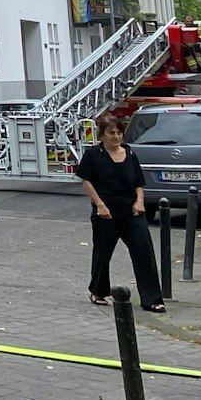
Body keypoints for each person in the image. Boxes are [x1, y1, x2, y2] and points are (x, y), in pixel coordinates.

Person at [78, 116, 164, 312]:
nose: (116, 137)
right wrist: (99, 204)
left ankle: (152, 299)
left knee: (144, 252)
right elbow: (87, 182)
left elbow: (138, 183)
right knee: (103, 252)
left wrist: (139, 202)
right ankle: (98, 291)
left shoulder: (130, 154)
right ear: (102, 136)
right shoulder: (94, 155)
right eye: (111, 133)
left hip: (132, 212)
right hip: (106, 213)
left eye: (118, 133)